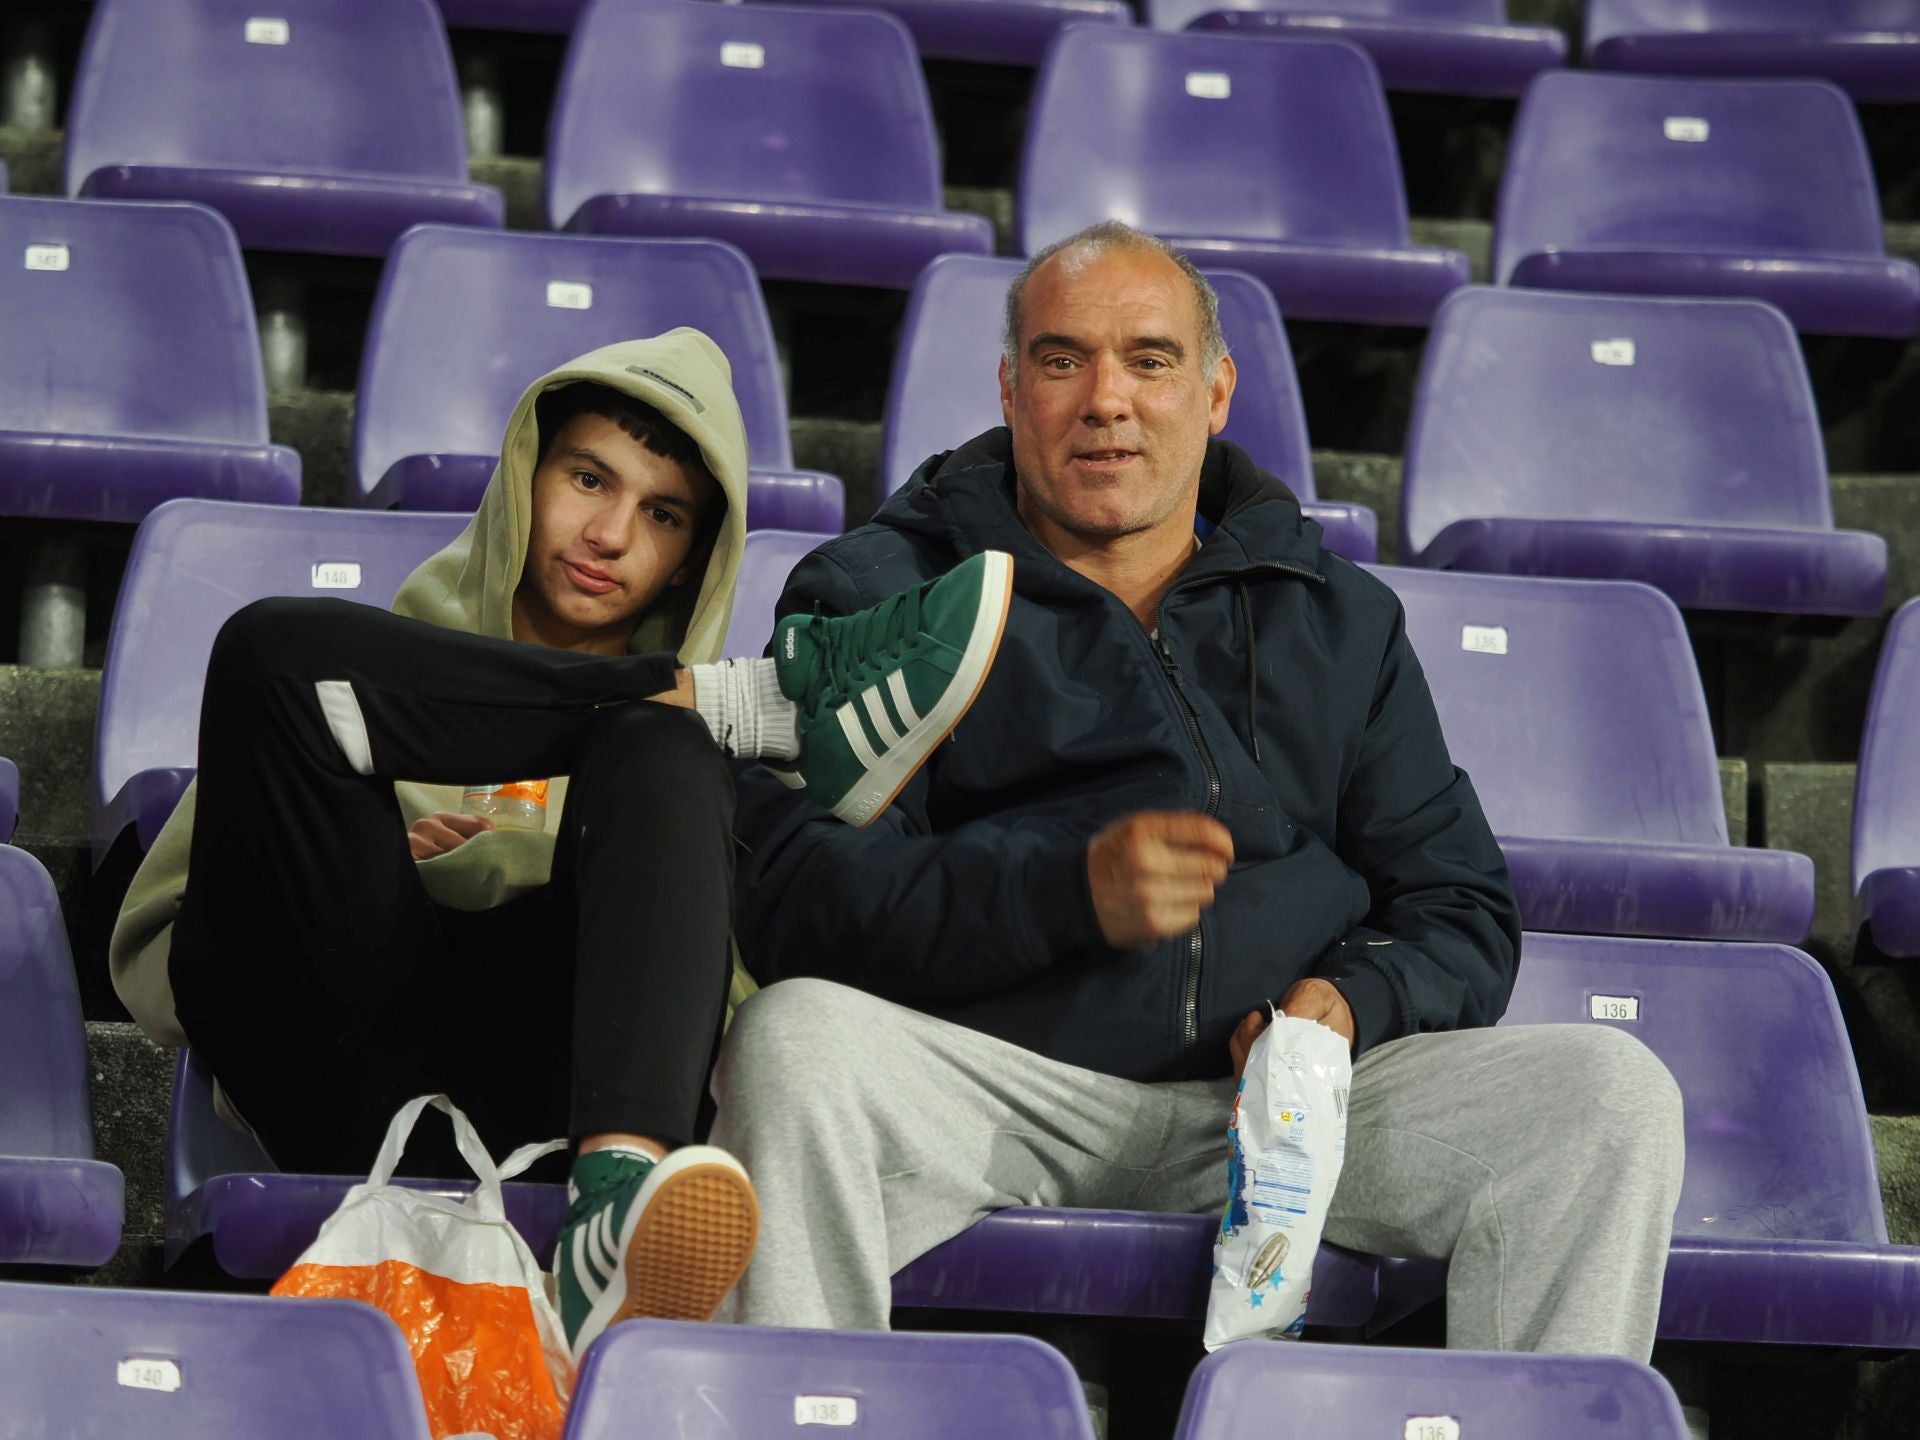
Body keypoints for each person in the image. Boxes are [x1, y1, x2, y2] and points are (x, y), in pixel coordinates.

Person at [715, 225, 1687, 1358]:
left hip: (1279, 1112)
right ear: (1012, 389)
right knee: (794, 1044)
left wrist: (1348, 1002)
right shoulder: (881, 591)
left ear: (1216, 391)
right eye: (1064, 359)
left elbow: (1459, 906)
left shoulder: (1336, 616)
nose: (1107, 401)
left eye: (1151, 360)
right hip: (995, 1086)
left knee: (1604, 1097)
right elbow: (797, 898)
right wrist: (1060, 890)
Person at [109, 331, 1013, 1360]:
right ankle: (743, 701)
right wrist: (386, 862)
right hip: (345, 1070)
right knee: (272, 653)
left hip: (558, 1103)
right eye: (590, 478)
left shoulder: (683, 779)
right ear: (527, 476)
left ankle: (615, 1206)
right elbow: (167, 971)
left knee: (666, 747)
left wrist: (532, 859)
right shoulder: (354, 678)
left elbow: (734, 1030)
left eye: (663, 514)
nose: (612, 533)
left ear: (692, 557)